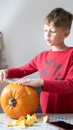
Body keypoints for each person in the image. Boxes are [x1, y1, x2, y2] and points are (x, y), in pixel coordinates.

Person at [0, 7, 73, 113]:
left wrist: (41, 82)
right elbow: (22, 71)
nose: (47, 35)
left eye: (52, 31)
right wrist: (7, 72)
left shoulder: (71, 55)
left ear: (66, 33)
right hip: (46, 112)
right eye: (45, 30)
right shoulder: (42, 57)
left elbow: (70, 85)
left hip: (68, 114)